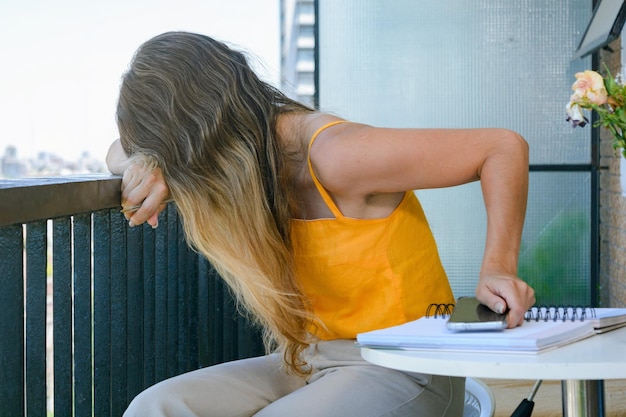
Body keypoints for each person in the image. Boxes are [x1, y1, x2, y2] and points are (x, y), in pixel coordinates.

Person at [106, 31, 535, 417]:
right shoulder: (250, 169)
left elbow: (500, 148)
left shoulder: (335, 156)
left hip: (406, 366)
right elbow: (114, 151)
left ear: (201, 135)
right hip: (310, 359)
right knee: (155, 407)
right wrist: (146, 160)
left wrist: (497, 267)